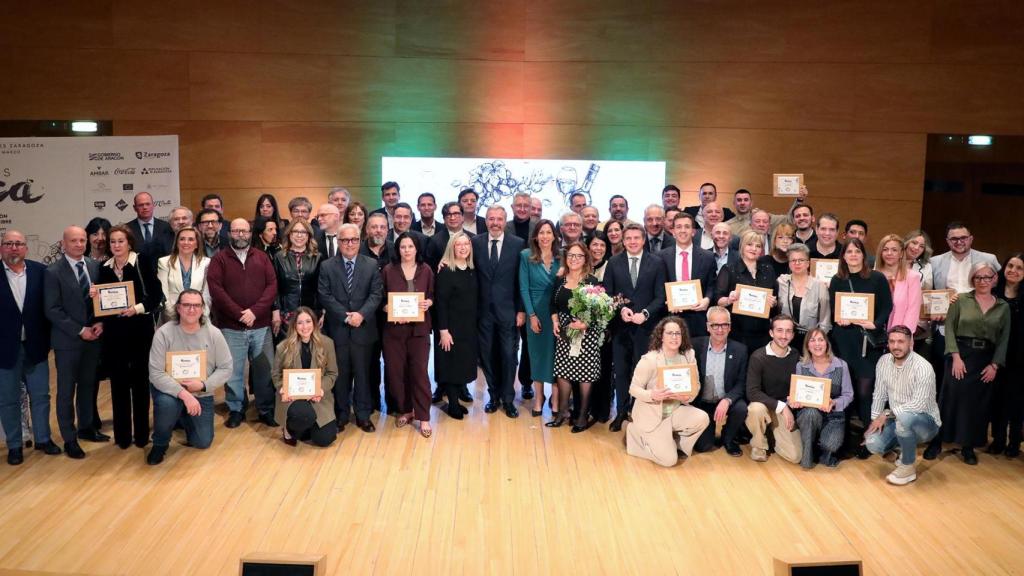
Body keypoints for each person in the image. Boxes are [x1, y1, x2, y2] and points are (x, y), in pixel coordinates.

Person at [925, 262, 1010, 465]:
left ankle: (968, 446)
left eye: (987, 277)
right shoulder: (960, 300)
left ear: (994, 279)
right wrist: (955, 356)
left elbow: (1004, 338)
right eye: (978, 277)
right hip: (960, 356)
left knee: (976, 405)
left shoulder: (1003, 306)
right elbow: (950, 329)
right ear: (973, 279)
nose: (983, 281)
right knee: (949, 399)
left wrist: (995, 365)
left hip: (985, 360)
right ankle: (937, 441)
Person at [207, 218, 278, 429]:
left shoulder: (262, 257)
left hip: (261, 325)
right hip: (231, 326)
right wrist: (239, 314)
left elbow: (272, 285)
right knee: (234, 371)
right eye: (236, 231)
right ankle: (236, 408)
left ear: (250, 233)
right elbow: (216, 290)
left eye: (244, 231)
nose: (240, 235)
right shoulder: (219, 259)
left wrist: (255, 312)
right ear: (229, 233)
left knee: (265, 370)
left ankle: (265, 409)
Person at [147, 289, 232, 464]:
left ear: (202, 309)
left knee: (202, 442)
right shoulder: (163, 333)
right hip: (169, 391)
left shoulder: (214, 333)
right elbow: (155, 373)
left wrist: (203, 385)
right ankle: (160, 444)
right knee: (167, 405)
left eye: (196, 305)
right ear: (178, 308)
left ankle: (182, 416)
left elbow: (226, 368)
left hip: (201, 392)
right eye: (186, 305)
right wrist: (184, 394)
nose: (191, 309)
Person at [44, 226, 108, 459]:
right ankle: (69, 439)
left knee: (88, 385)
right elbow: (52, 309)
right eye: (74, 241)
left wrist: (101, 323)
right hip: (68, 340)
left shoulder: (94, 266)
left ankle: (87, 428)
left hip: (94, 338)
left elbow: (102, 300)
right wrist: (80, 330)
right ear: (63, 243)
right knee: (66, 390)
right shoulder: (53, 272)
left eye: (82, 240)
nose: (79, 244)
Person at [96, 225, 162, 449]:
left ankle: (142, 435)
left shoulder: (142, 262)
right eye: (112, 241)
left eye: (120, 241)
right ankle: (123, 437)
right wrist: (94, 295)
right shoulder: (103, 268)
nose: (116, 245)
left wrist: (138, 308)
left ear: (129, 243)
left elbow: (156, 295)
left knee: (141, 385)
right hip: (114, 336)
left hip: (140, 332)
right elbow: (101, 304)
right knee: (119, 386)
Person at [828, 238, 893, 457]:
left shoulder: (877, 278)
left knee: (865, 391)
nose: (853, 255)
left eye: (857, 251)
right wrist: (840, 319)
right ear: (843, 256)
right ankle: (843, 439)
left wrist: (875, 323)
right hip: (844, 340)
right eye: (849, 252)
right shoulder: (837, 280)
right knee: (846, 390)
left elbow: (887, 306)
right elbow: (834, 309)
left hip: (867, 340)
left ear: (864, 255)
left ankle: (868, 438)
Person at [1, 231, 61, 464]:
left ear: (25, 248)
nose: (14, 248)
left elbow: (50, 308)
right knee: (8, 400)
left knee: (41, 396)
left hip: (36, 346)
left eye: (18, 244)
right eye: (9, 244)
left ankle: (43, 439)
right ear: (1, 248)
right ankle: (14, 445)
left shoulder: (40, 272)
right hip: (5, 350)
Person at [319, 223, 384, 433]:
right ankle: (342, 414)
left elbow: (376, 294)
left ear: (360, 241)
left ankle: (363, 415)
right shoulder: (327, 266)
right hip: (338, 330)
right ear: (338, 242)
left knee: (364, 375)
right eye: (345, 240)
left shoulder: (371, 264)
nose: (349, 244)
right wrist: (346, 317)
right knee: (341, 375)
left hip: (364, 329)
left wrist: (361, 314)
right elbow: (325, 295)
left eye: (354, 240)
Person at [602, 223, 667, 431]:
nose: (632, 242)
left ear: (643, 239)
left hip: (647, 329)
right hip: (621, 327)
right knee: (620, 371)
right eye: (628, 238)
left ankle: (639, 412)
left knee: (644, 373)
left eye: (636, 238)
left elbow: (660, 296)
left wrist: (645, 314)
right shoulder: (613, 262)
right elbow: (607, 294)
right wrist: (620, 309)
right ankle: (621, 411)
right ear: (623, 240)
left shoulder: (656, 262)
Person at [624, 316, 710, 466]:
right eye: (670, 333)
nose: (674, 337)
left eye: (678, 333)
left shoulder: (688, 355)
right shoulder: (650, 359)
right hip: (652, 415)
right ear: (661, 336)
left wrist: (687, 397)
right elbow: (633, 389)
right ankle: (635, 435)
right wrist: (652, 395)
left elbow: (695, 385)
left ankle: (670, 442)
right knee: (669, 461)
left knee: (702, 418)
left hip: (674, 411)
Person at [863, 325, 941, 484]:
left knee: (905, 419)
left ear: (910, 342)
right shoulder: (883, 361)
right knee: (872, 442)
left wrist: (885, 414)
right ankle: (902, 449)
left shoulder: (923, 367)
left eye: (901, 341)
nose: (896, 346)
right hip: (896, 418)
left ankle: (908, 467)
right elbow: (879, 394)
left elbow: (917, 405)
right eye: (892, 341)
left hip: (926, 422)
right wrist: (874, 421)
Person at [929, 222, 1001, 381]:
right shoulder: (935, 262)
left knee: (973, 377)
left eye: (963, 237)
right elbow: (930, 293)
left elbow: (998, 287)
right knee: (943, 375)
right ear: (947, 241)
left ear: (971, 239)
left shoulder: (989, 258)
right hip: (945, 327)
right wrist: (934, 311)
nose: (959, 241)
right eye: (953, 239)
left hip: (978, 329)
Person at [473, 206, 526, 418]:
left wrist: (521, 310)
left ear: (505, 221)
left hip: (509, 312)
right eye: (491, 219)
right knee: (487, 356)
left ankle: (508, 399)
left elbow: (521, 281)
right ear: (485, 221)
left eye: (499, 219)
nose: (495, 223)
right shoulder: (475, 243)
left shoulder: (517, 244)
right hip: (483, 313)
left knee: (508, 355)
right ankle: (493, 396)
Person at [381, 233, 435, 437]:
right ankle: (405, 410)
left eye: (410, 246)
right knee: (397, 372)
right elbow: (381, 297)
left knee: (419, 372)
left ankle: (424, 416)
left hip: (419, 330)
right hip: (394, 331)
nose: (406, 250)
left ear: (416, 249)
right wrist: (388, 308)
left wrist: (429, 302)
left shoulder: (426, 270)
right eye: (403, 247)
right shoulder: (388, 270)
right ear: (398, 249)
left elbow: (431, 295)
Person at [548, 242, 603, 432]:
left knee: (585, 374)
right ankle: (562, 412)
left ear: (585, 259)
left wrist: (585, 323)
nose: (574, 259)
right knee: (563, 372)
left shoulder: (592, 282)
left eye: (579, 256)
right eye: (571, 255)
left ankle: (581, 416)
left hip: (585, 334)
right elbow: (552, 304)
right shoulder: (559, 280)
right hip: (564, 332)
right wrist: (555, 322)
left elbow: (599, 311)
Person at [272, 307, 339, 448]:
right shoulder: (283, 347)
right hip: (292, 399)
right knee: (303, 415)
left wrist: (320, 389)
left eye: (308, 321)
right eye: (300, 323)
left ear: (314, 323)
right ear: (294, 326)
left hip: (317, 396)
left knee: (325, 439)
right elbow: (276, 374)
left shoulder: (327, 343)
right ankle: (289, 429)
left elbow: (332, 373)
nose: (305, 326)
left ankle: (306, 427)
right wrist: (283, 388)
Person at [690, 306, 748, 456]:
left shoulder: (740, 350)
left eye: (724, 325)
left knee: (741, 408)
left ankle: (728, 438)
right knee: (703, 446)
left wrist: (727, 400)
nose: (720, 329)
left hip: (725, 400)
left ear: (730, 327)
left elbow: (741, 383)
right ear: (708, 326)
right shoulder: (694, 346)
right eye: (715, 325)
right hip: (702, 402)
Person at [792, 328, 853, 468]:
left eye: (821, 339)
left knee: (831, 445)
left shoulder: (841, 365)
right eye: (812, 340)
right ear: (807, 345)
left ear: (827, 343)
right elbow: (797, 394)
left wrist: (834, 403)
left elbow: (848, 395)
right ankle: (807, 458)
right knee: (810, 413)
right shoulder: (801, 366)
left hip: (834, 415)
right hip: (809, 414)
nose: (817, 344)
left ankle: (820, 448)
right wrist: (794, 400)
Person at [745, 314, 802, 463]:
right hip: (764, 405)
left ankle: (772, 434)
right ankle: (759, 444)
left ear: (793, 334)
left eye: (788, 331)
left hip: (783, 408)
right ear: (771, 333)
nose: (784, 336)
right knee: (755, 409)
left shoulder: (796, 355)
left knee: (795, 457)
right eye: (780, 330)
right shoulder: (758, 357)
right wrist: (782, 407)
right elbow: (752, 392)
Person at [434, 233, 478, 420]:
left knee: (462, 365)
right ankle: (452, 404)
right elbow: (441, 303)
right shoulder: (445, 271)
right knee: (450, 365)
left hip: (468, 327)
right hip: (450, 328)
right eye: (458, 244)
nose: (462, 247)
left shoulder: (471, 268)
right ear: (452, 247)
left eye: (466, 244)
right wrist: (443, 331)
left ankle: (457, 400)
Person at [519, 220, 560, 415]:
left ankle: (556, 400)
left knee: (556, 357)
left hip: (556, 313)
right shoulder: (526, 256)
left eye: (548, 232)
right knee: (536, 356)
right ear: (536, 236)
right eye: (541, 233)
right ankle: (539, 397)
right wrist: (531, 315)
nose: (545, 236)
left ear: (554, 235)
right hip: (535, 312)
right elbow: (523, 288)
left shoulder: (562, 257)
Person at [715, 230, 778, 351]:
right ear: (742, 246)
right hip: (738, 332)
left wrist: (773, 302)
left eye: (758, 246)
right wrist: (729, 299)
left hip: (763, 332)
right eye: (750, 244)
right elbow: (718, 300)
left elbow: (775, 301)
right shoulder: (729, 269)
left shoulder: (768, 269)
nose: (754, 248)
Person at [659, 212, 714, 338]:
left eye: (687, 227)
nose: (683, 230)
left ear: (693, 231)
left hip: (698, 319)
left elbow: (712, 285)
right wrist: (667, 301)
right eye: (678, 227)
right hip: (671, 317)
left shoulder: (708, 257)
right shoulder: (661, 257)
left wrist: (707, 299)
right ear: (672, 231)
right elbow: (659, 286)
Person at [990, 253, 1023, 457]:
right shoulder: (993, 292)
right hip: (995, 354)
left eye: (1019, 268)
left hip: (1020, 357)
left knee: (1017, 400)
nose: (1013, 270)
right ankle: (998, 439)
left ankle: (1014, 442)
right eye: (1010, 265)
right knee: (997, 399)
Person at [776, 243, 831, 352]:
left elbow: (825, 321)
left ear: (808, 263)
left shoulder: (819, 286)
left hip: (811, 342)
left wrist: (816, 344)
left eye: (801, 260)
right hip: (784, 340)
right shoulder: (780, 282)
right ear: (789, 263)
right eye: (793, 260)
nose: (797, 263)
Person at [272, 219, 321, 338]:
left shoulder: (318, 257)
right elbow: (274, 287)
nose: (299, 235)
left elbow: (322, 288)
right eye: (295, 231)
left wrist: (323, 312)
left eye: (303, 232)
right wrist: (276, 312)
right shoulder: (279, 257)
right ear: (289, 234)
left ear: (309, 235)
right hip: (286, 315)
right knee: (288, 352)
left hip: (310, 314)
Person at [157, 226, 211, 325]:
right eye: (182, 239)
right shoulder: (164, 262)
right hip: (171, 318)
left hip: (199, 318)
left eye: (190, 239)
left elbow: (206, 295)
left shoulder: (206, 263)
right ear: (177, 243)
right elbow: (163, 294)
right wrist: (177, 317)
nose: (186, 242)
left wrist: (199, 315)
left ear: (197, 244)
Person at [874, 234, 922, 333]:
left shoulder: (913, 277)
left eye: (894, 250)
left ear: (901, 254)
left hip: (900, 335)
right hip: (874, 332)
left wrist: (903, 334)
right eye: (885, 249)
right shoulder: (872, 276)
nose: (889, 253)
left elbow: (913, 311)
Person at [904, 229, 934, 356]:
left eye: (921, 246)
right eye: (914, 243)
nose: (917, 248)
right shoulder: (891, 260)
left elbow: (927, 296)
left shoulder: (926, 267)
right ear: (906, 243)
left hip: (916, 323)